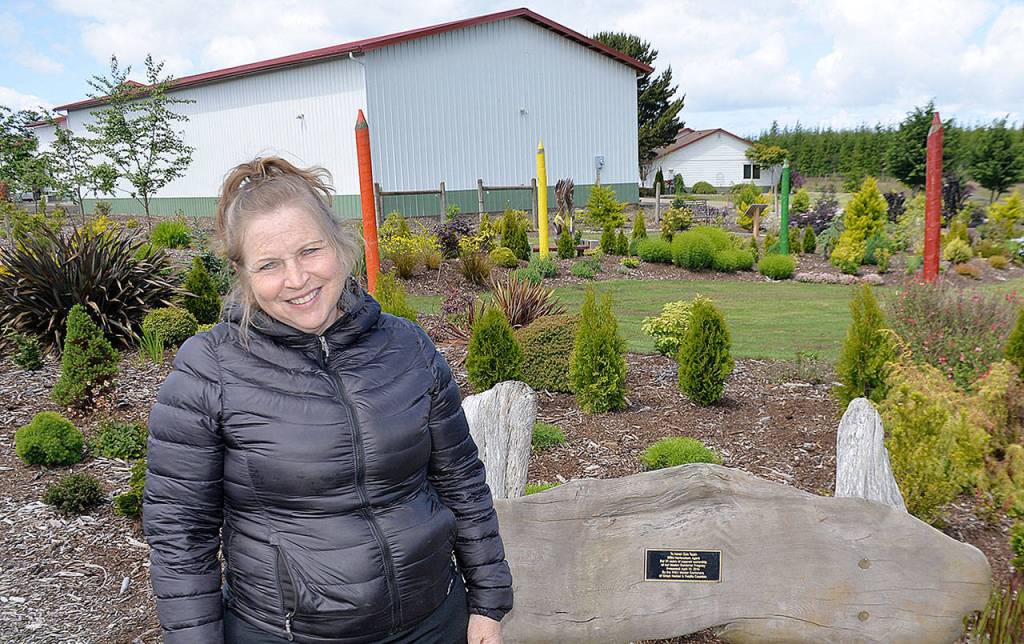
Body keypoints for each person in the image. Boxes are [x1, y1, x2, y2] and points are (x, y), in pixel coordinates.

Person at [143, 157, 513, 644]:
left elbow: (461, 482)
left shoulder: (408, 347)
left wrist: (487, 601)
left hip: (433, 619)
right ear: (243, 272)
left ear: (339, 244)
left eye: (310, 250)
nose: (297, 279)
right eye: (270, 265)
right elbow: (180, 533)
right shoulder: (208, 370)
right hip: (289, 632)